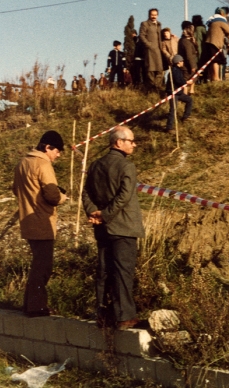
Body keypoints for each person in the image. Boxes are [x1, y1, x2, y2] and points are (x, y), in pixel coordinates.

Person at [83, 127, 145, 330]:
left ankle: (102, 313)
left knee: (103, 270)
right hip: (123, 226)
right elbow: (124, 196)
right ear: (119, 142)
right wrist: (106, 213)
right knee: (123, 271)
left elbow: (86, 193)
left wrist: (94, 212)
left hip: (102, 228)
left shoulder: (95, 165)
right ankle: (125, 317)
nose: (133, 144)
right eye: (131, 141)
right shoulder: (127, 166)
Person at [13, 130, 68, 317]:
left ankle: (29, 305)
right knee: (43, 267)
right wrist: (63, 197)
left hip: (26, 220)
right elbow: (52, 196)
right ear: (47, 147)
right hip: (42, 221)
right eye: (57, 150)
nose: (58, 155)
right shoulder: (43, 164)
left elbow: (15, 189)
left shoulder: (22, 162)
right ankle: (36, 307)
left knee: (38, 264)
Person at [200, 7, 229, 81]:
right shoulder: (221, 21)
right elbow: (228, 31)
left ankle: (212, 77)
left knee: (211, 61)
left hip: (208, 43)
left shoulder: (212, 22)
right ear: (222, 13)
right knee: (215, 61)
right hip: (215, 43)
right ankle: (216, 77)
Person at [165, 55, 194, 132]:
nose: (183, 62)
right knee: (173, 110)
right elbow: (178, 80)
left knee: (189, 100)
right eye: (182, 61)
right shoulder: (174, 70)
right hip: (173, 93)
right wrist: (187, 82)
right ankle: (169, 128)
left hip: (179, 92)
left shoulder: (178, 70)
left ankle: (185, 117)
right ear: (178, 62)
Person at [139, 8, 164, 92]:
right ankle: (152, 89)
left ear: (157, 15)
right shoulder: (145, 24)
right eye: (152, 15)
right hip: (149, 51)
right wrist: (149, 45)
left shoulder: (159, 24)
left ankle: (156, 86)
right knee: (150, 70)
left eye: (155, 15)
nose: (154, 16)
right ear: (149, 15)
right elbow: (141, 36)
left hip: (158, 50)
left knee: (160, 70)